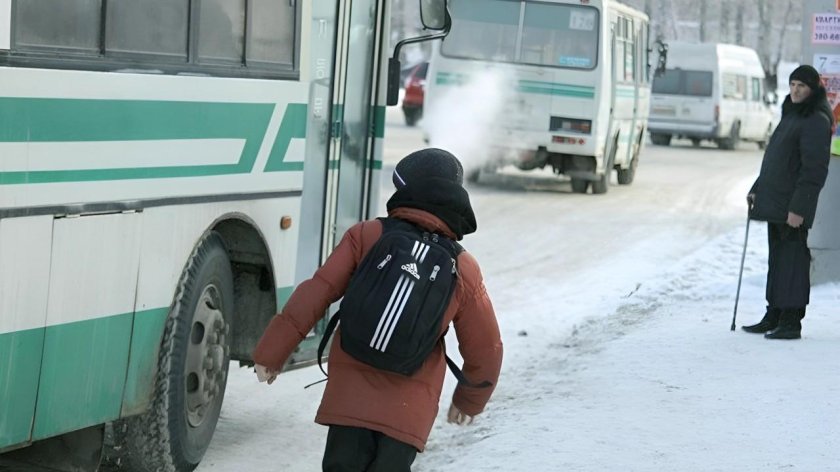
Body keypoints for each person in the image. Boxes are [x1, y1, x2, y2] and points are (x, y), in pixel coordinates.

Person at [251, 148, 504, 471]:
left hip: (349, 399)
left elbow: (317, 290)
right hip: (408, 411)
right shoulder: (463, 267)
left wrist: (272, 352)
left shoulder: (367, 234)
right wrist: (469, 400)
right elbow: (486, 346)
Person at [742, 65, 834, 340]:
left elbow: (814, 171)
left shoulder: (816, 120)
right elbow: (776, 160)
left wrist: (799, 209)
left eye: (801, 86)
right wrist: (757, 188)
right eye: (792, 84)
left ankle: (791, 320)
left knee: (793, 261)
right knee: (778, 260)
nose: (795, 90)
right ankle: (774, 314)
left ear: (813, 89)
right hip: (776, 201)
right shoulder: (791, 115)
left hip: (793, 206)